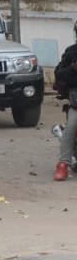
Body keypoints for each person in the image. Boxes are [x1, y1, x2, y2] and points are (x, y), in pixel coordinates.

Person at [52, 20, 77, 181]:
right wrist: (73, 69)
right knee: (72, 126)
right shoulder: (72, 53)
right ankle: (63, 164)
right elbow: (59, 74)